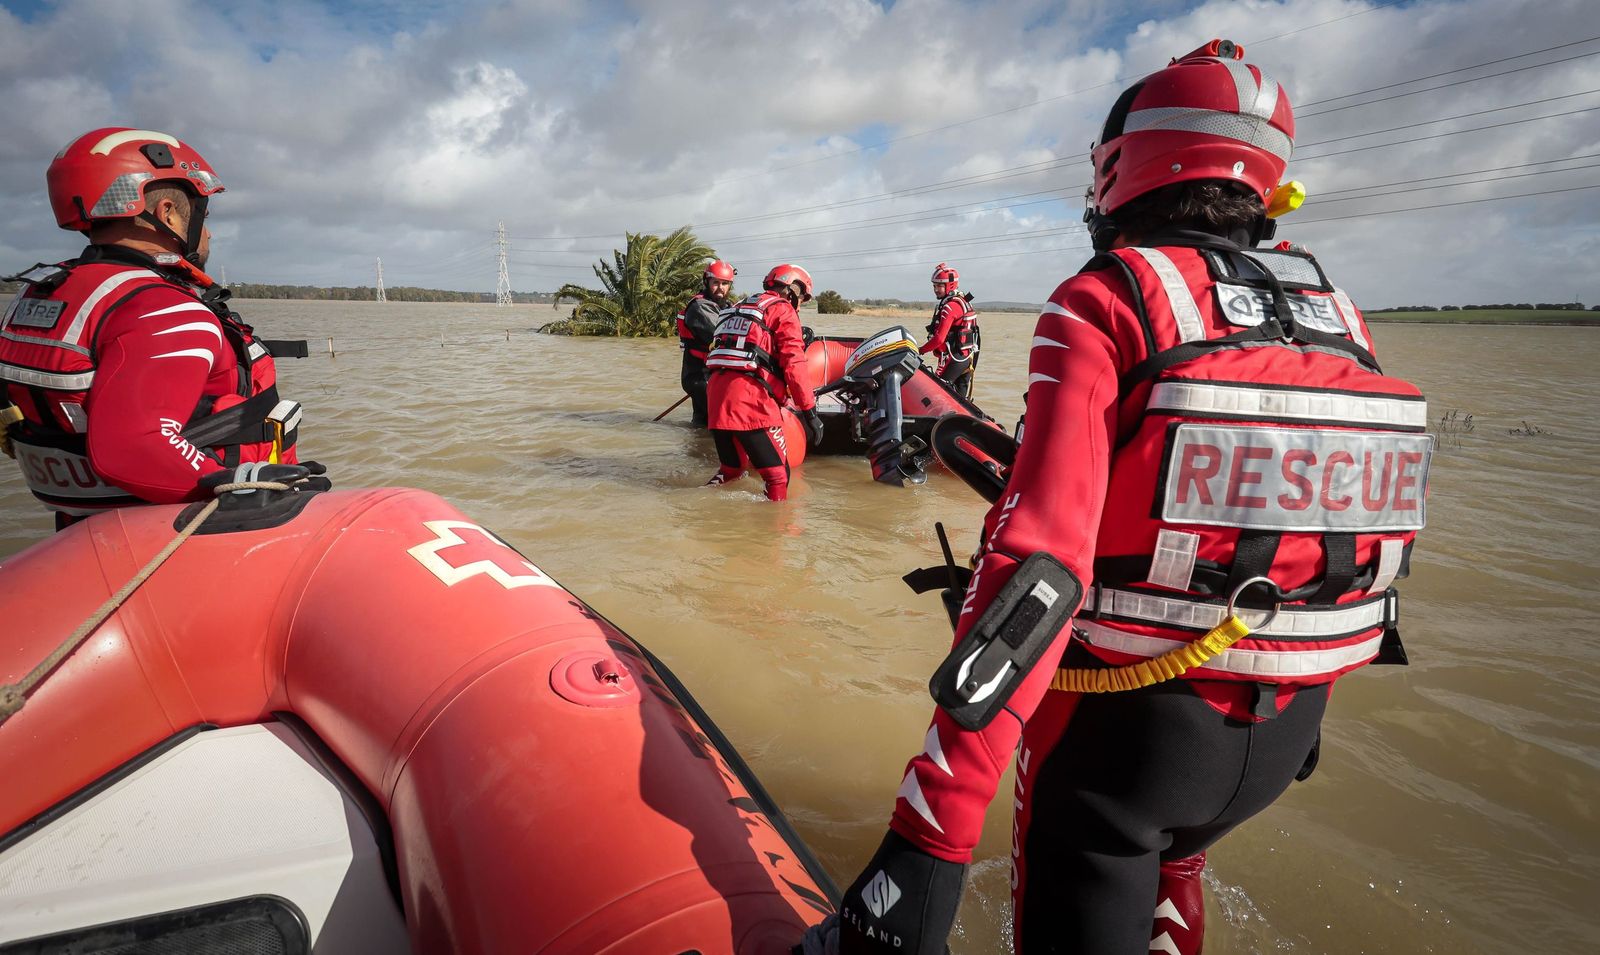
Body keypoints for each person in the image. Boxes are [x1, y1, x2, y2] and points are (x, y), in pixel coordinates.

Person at [821, 39, 1431, 955]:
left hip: (1124, 736)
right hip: (1286, 728)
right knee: (1174, 879)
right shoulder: (1337, 314)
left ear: (1125, 164)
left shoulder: (1105, 298)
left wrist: (930, 830)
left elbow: (1040, 563)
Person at [0, 127, 313, 530]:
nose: (209, 233)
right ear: (166, 214)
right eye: (203, 217)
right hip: (186, 530)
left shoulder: (40, 297)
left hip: (82, 529)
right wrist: (246, 487)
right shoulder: (164, 309)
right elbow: (133, 447)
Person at [703, 263, 824, 502]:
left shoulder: (737, 307)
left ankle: (700, 509)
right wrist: (810, 413)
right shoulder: (783, 310)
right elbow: (794, 365)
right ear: (793, 290)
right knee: (777, 476)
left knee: (731, 470)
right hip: (750, 400)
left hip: (716, 398)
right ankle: (772, 533)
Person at [677, 259, 736, 426]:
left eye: (725, 283)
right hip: (699, 376)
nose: (720, 288)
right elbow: (723, 335)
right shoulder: (700, 308)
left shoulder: (726, 305)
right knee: (717, 423)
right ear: (706, 282)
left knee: (703, 422)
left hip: (710, 374)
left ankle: (697, 448)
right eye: (715, 282)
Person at [918, 262, 979, 398]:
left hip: (954, 359)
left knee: (936, 394)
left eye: (939, 285)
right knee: (960, 400)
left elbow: (939, 338)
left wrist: (920, 350)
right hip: (967, 358)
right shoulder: (963, 301)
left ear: (950, 285)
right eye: (934, 285)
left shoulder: (949, 307)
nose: (935, 289)